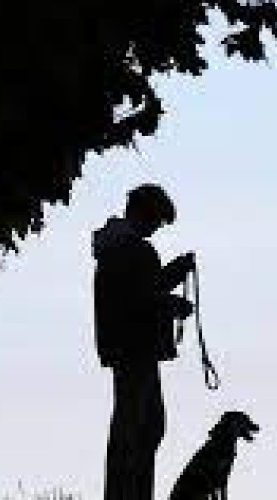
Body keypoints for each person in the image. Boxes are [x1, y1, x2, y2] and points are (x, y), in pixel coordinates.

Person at [91, 183, 196, 500]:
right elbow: (140, 299)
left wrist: (173, 275)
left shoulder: (120, 248)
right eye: (158, 220)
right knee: (138, 429)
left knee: (142, 426)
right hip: (136, 349)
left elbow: (142, 290)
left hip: (127, 348)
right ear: (146, 213)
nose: (157, 227)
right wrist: (173, 304)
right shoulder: (133, 250)